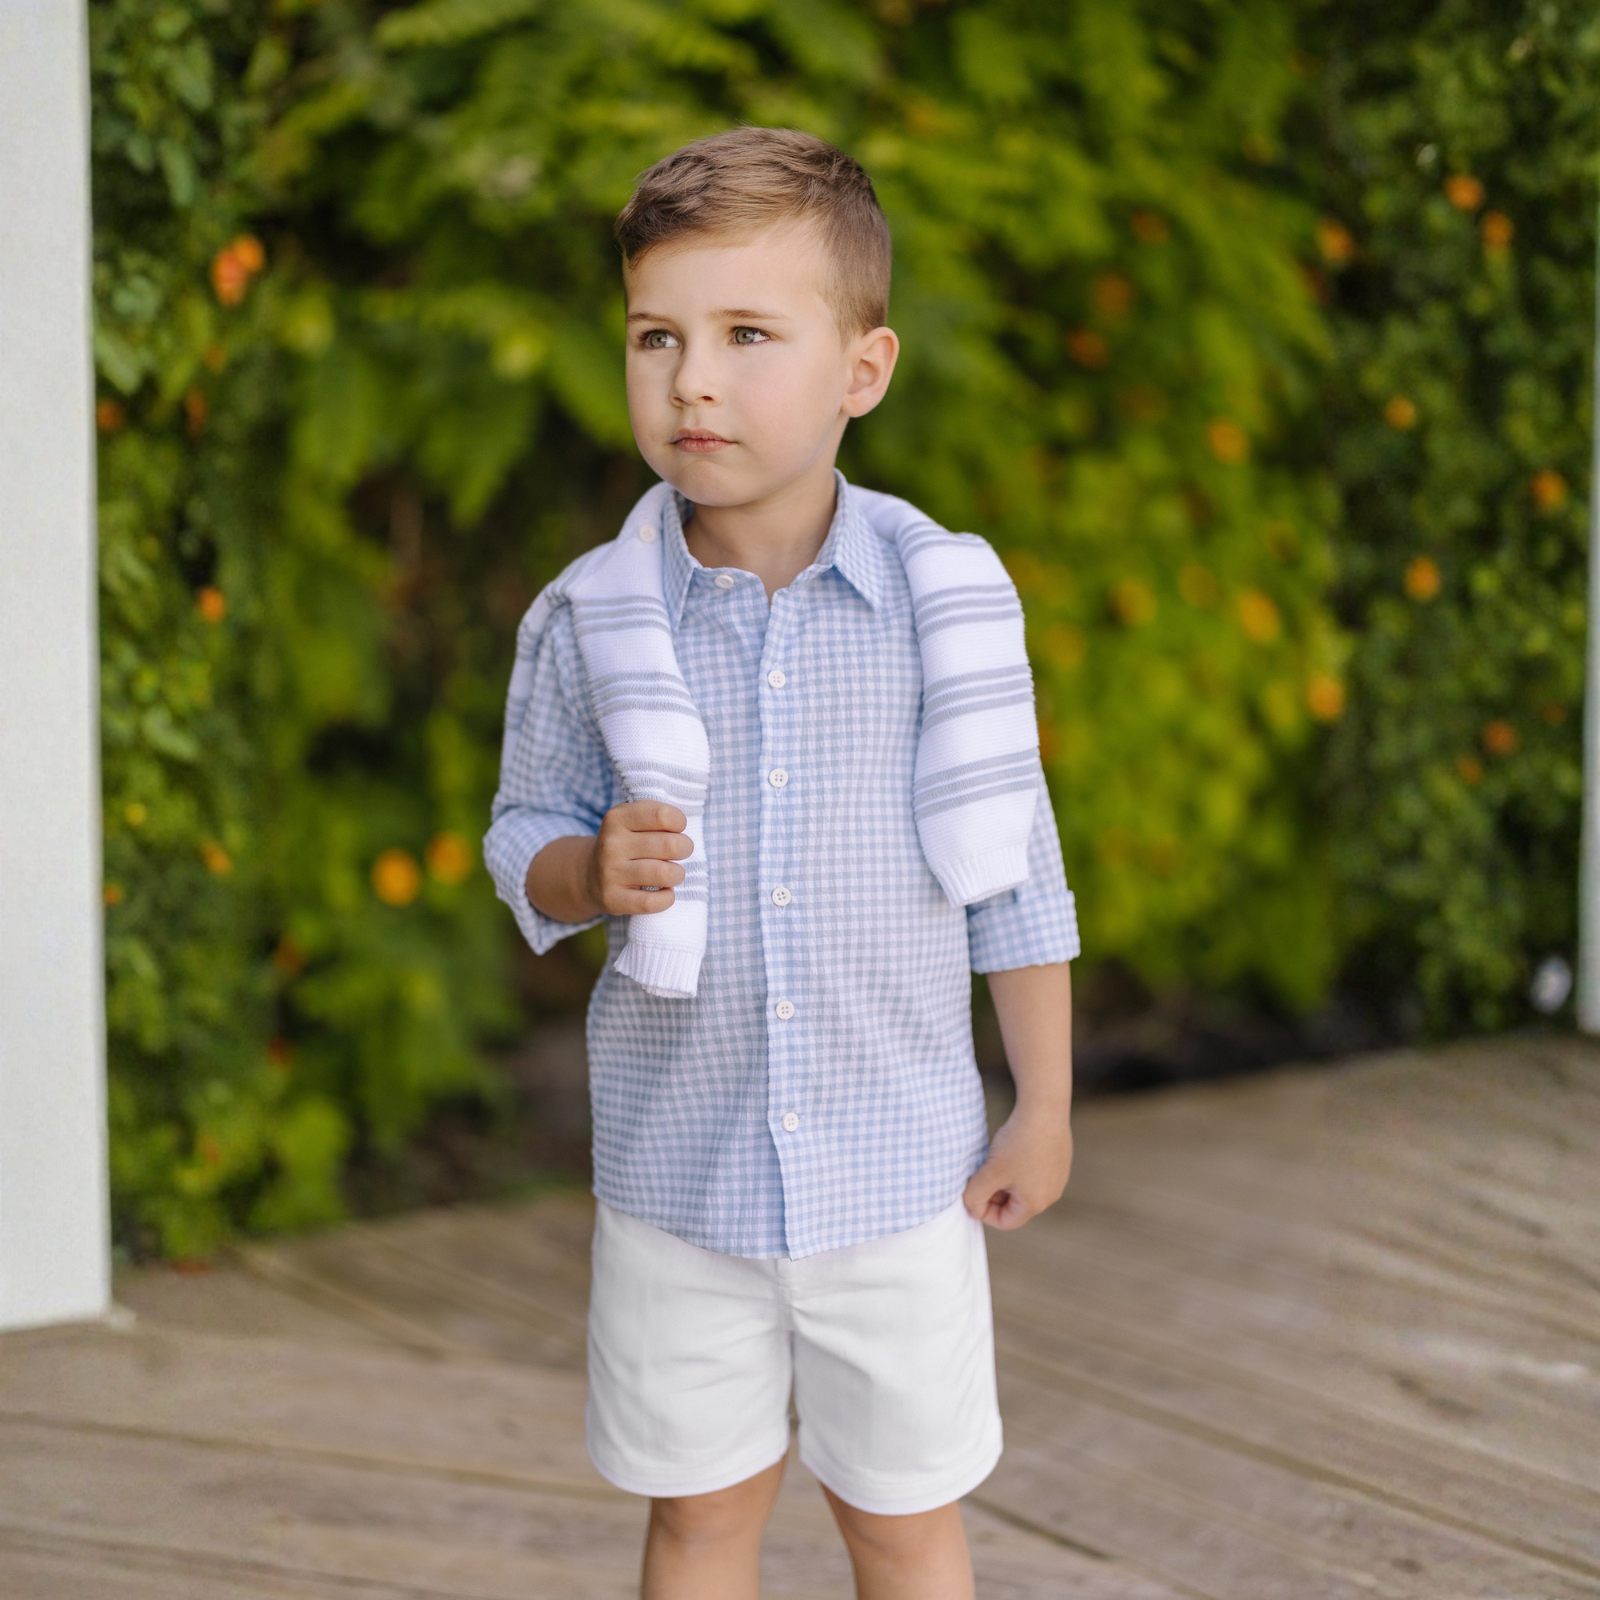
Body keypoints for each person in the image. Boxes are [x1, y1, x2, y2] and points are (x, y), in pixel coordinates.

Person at [485, 126, 1078, 1600]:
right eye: (657, 337)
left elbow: (1015, 874)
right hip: (679, 1185)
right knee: (698, 1520)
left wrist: (1045, 1105)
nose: (693, 379)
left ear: (863, 370)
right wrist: (584, 872)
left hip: (902, 1182)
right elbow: (520, 835)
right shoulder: (591, 620)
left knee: (903, 1522)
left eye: (747, 335)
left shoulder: (943, 610)